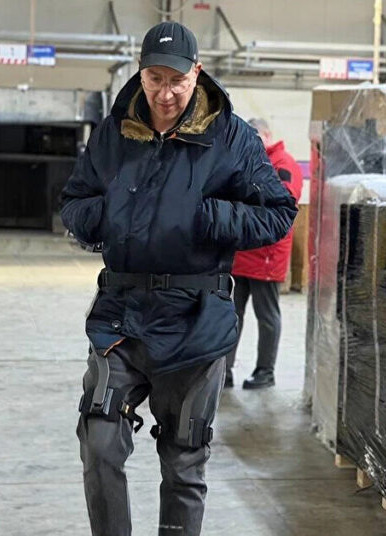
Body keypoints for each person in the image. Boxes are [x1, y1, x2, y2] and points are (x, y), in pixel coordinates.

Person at [59, 21, 297, 536]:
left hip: (196, 318)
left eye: (177, 81)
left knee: (184, 460)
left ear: (197, 73)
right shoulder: (114, 133)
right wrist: (106, 215)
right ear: (140, 72)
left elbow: (278, 213)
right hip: (121, 315)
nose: (164, 94)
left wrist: (206, 216)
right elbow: (74, 203)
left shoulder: (232, 138)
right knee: (99, 441)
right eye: (154, 79)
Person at [225, 119, 303, 390]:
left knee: (266, 316)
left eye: (258, 136)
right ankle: (224, 370)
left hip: (267, 255)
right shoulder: (246, 160)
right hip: (242, 252)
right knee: (231, 315)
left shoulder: (283, 163)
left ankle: (265, 371)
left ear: (268, 135)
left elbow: (284, 201)